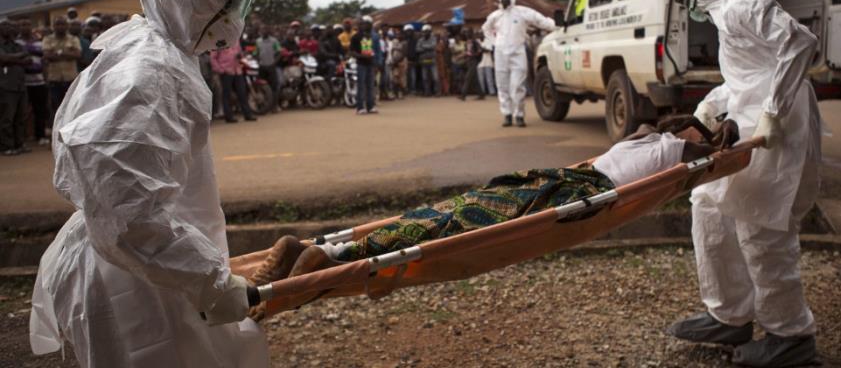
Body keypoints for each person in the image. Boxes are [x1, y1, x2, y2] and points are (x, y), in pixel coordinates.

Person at [29, 0, 268, 367]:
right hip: (134, 280)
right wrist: (208, 282)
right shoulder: (150, 72)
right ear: (197, 5)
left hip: (156, 266)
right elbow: (127, 212)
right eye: (228, 4)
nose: (236, 17)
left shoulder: (162, 54)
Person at [244, 116, 740, 322]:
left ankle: (325, 252)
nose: (696, 133)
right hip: (571, 193)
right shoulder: (672, 149)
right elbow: (713, 152)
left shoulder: (644, 139)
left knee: (444, 216)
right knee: (456, 230)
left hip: (553, 181)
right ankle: (330, 261)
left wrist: (698, 133)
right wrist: (718, 139)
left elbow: (695, 144)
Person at [667, 0, 821, 367]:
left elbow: (801, 42)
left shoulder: (741, 5)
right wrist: (707, 109)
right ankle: (729, 314)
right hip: (753, 124)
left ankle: (790, 336)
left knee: (761, 227)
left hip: (775, 131)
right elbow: (747, 78)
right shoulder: (728, 17)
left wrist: (774, 110)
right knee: (708, 205)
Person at [482, 0, 555, 128]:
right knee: (502, 85)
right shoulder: (495, 16)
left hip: (518, 53)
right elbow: (486, 29)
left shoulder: (522, 12)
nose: (504, 1)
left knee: (517, 86)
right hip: (500, 54)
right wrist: (494, 43)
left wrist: (555, 25)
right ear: (499, 0)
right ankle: (507, 115)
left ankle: (519, 115)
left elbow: (540, 20)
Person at [42, 16, 81, 122]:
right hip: (54, 79)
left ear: (67, 26)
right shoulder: (47, 39)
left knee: (72, 106)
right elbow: (47, 56)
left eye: (63, 24)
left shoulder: (73, 39)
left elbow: (77, 55)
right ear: (53, 26)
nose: (60, 26)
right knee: (56, 106)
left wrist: (57, 53)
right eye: (58, 24)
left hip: (71, 79)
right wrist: (68, 53)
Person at [0, 21, 30, 155]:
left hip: (20, 85)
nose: (9, 28)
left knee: (21, 117)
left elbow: (28, 59)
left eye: (11, 26)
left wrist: (11, 60)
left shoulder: (17, 45)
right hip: (6, 86)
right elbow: (3, 58)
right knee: (7, 118)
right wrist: (19, 58)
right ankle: (7, 146)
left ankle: (19, 144)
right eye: (5, 26)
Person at [20, 23, 50, 145]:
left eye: (27, 25)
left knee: (40, 110)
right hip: (22, 83)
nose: (25, 27)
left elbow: (44, 61)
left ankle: (40, 136)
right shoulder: (16, 43)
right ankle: (22, 138)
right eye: (22, 25)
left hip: (39, 82)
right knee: (22, 111)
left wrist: (46, 78)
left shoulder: (39, 43)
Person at [212, 42, 257, 123]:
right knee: (226, 95)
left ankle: (248, 114)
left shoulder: (236, 40)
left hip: (237, 70)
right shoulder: (218, 41)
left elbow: (240, 53)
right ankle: (229, 116)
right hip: (226, 71)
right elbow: (213, 58)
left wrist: (240, 55)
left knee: (242, 93)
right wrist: (220, 70)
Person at [350, 16, 377, 114]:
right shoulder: (355, 37)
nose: (364, 26)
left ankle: (370, 106)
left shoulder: (369, 36)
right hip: (361, 64)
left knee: (370, 86)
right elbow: (352, 52)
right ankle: (360, 107)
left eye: (366, 24)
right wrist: (362, 56)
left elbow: (370, 49)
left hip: (370, 63)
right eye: (362, 24)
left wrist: (372, 56)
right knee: (361, 86)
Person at [255, 24, 281, 112]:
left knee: (274, 87)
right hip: (262, 67)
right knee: (261, 87)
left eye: (265, 29)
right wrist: (257, 61)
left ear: (268, 31)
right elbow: (255, 52)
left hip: (271, 66)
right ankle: (263, 106)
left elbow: (279, 52)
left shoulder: (274, 41)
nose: (264, 31)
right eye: (262, 29)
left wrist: (274, 63)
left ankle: (274, 106)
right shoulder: (258, 41)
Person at [459, 28, 484, 101]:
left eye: (468, 33)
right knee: (475, 79)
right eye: (466, 33)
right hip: (469, 61)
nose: (466, 34)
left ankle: (463, 95)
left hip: (473, 61)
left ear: (471, 34)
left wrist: (472, 55)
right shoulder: (467, 43)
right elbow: (467, 52)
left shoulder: (475, 42)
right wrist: (461, 56)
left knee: (468, 78)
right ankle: (481, 94)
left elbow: (479, 51)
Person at [416, 24, 438, 97]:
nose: (425, 33)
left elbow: (433, 46)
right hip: (424, 61)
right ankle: (427, 92)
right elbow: (417, 49)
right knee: (425, 78)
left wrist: (423, 47)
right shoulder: (420, 40)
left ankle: (436, 92)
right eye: (424, 31)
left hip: (432, 60)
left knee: (435, 77)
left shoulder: (433, 39)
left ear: (430, 32)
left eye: (427, 31)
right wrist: (427, 48)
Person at [477, 30, 497, 96]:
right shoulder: (477, 41)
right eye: (479, 34)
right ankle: (482, 92)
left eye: (481, 34)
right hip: (479, 62)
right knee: (480, 79)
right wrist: (482, 49)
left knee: (489, 78)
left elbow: (489, 50)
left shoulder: (488, 41)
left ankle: (492, 92)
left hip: (488, 62)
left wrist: (481, 49)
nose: (480, 35)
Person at [389, 29, 408, 98]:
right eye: (397, 34)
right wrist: (393, 61)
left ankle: (402, 92)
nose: (398, 36)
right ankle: (396, 93)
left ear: (403, 35)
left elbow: (404, 53)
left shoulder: (404, 43)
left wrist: (397, 61)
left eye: (400, 34)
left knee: (401, 78)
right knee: (395, 77)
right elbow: (392, 51)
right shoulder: (395, 42)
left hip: (401, 61)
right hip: (395, 62)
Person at [404, 24, 418, 95]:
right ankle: (407, 89)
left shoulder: (415, 40)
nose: (408, 32)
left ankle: (413, 89)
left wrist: (413, 59)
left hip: (413, 60)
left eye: (409, 31)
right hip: (405, 60)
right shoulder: (404, 40)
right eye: (407, 31)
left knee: (413, 75)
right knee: (406, 76)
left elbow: (415, 51)